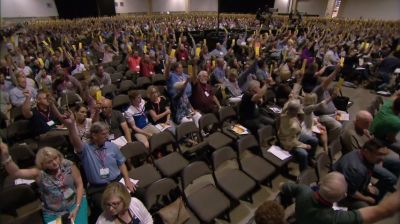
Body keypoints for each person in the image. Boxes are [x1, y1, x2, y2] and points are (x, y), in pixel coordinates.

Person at [62, 116, 138, 218]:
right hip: (99, 188)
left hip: (117, 182)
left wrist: (127, 180)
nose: (107, 136)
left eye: (107, 133)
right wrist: (71, 126)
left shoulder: (112, 146)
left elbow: (121, 163)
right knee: (108, 210)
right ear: (94, 135)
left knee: (139, 193)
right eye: (103, 134)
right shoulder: (85, 149)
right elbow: (75, 141)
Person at [0, 144, 88, 224]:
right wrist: (6, 157)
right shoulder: (39, 174)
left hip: (75, 203)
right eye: (49, 162)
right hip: (53, 212)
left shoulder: (68, 165)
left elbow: (79, 184)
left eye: (55, 158)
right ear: (43, 164)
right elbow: (16, 173)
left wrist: (77, 206)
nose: (54, 163)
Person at [280, 171, 400, 224]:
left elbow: (284, 186)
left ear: (322, 183)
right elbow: (382, 211)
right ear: (340, 198)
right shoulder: (334, 219)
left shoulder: (304, 191)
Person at [333, 138, 400, 209]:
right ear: (366, 151)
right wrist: (366, 198)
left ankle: (372, 199)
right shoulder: (355, 170)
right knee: (364, 205)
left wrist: (366, 186)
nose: (382, 158)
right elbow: (350, 192)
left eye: (384, 155)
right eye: (379, 154)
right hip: (342, 194)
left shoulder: (362, 155)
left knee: (391, 177)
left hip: (355, 184)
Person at [278, 100, 318, 171]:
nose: (299, 112)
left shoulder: (284, 113)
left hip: (295, 135)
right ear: (293, 111)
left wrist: (291, 99)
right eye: (297, 110)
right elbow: (292, 141)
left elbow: (286, 105)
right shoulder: (293, 126)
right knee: (304, 154)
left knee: (314, 140)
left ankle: (310, 158)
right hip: (288, 142)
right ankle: (303, 172)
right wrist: (304, 146)